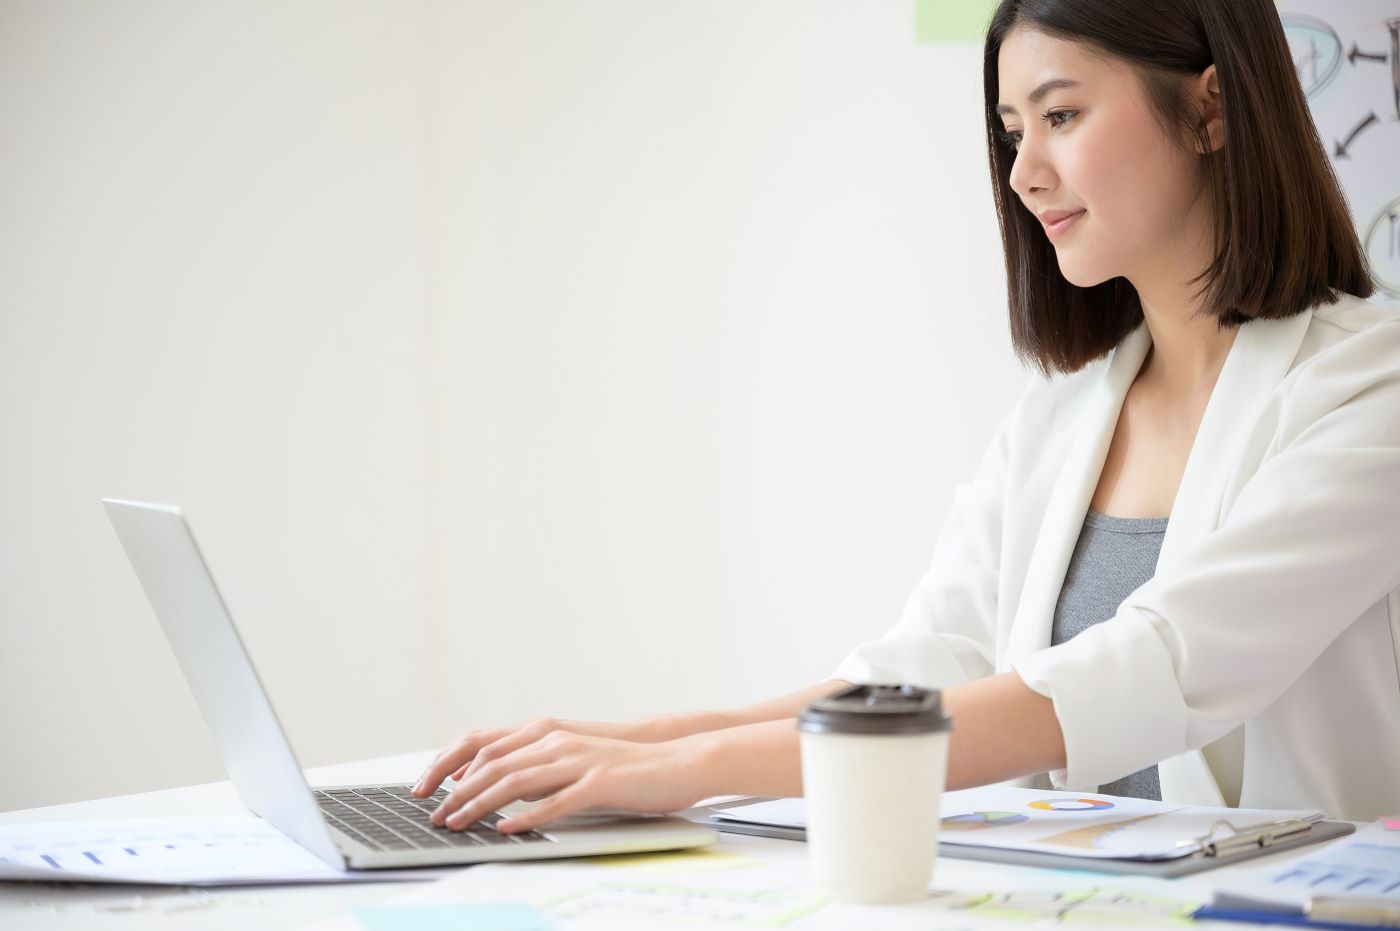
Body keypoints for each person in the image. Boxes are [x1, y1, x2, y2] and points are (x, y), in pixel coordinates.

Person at [414, 0, 1400, 832]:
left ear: (1210, 106)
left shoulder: (1371, 386)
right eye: (1013, 131)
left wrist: (694, 767)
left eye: (1059, 116)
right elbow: (924, 668)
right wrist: (634, 740)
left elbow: (1156, 663)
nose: (1021, 173)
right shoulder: (1065, 410)